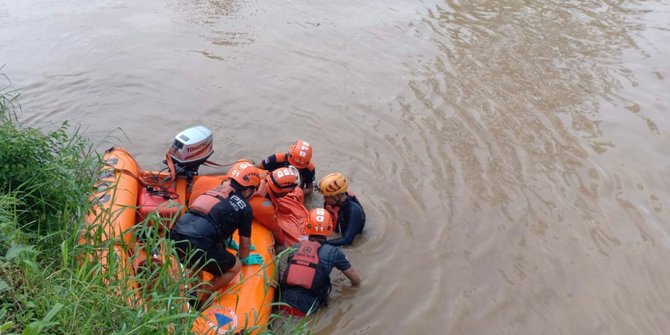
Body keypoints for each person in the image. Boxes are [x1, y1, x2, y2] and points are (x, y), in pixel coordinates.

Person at [168, 162, 263, 307]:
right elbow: (245, 243)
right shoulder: (245, 207)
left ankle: (192, 292)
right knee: (234, 267)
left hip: (177, 236)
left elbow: (210, 218)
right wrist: (243, 259)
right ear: (249, 190)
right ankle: (203, 293)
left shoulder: (213, 191)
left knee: (194, 262)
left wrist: (225, 242)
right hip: (200, 242)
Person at [278, 208, 360, 317]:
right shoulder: (334, 252)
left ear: (307, 226)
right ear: (329, 228)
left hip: (281, 302)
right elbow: (355, 281)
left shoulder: (296, 247)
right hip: (307, 309)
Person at [249, 165, 307, 247]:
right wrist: (284, 243)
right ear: (281, 192)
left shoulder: (264, 176)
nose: (292, 191)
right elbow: (275, 229)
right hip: (256, 208)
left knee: (298, 192)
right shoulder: (263, 206)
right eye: (290, 191)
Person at [317, 172, 366, 246]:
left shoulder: (353, 211)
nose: (324, 198)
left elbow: (347, 240)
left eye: (327, 196)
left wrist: (322, 244)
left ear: (338, 195)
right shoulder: (331, 202)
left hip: (348, 231)